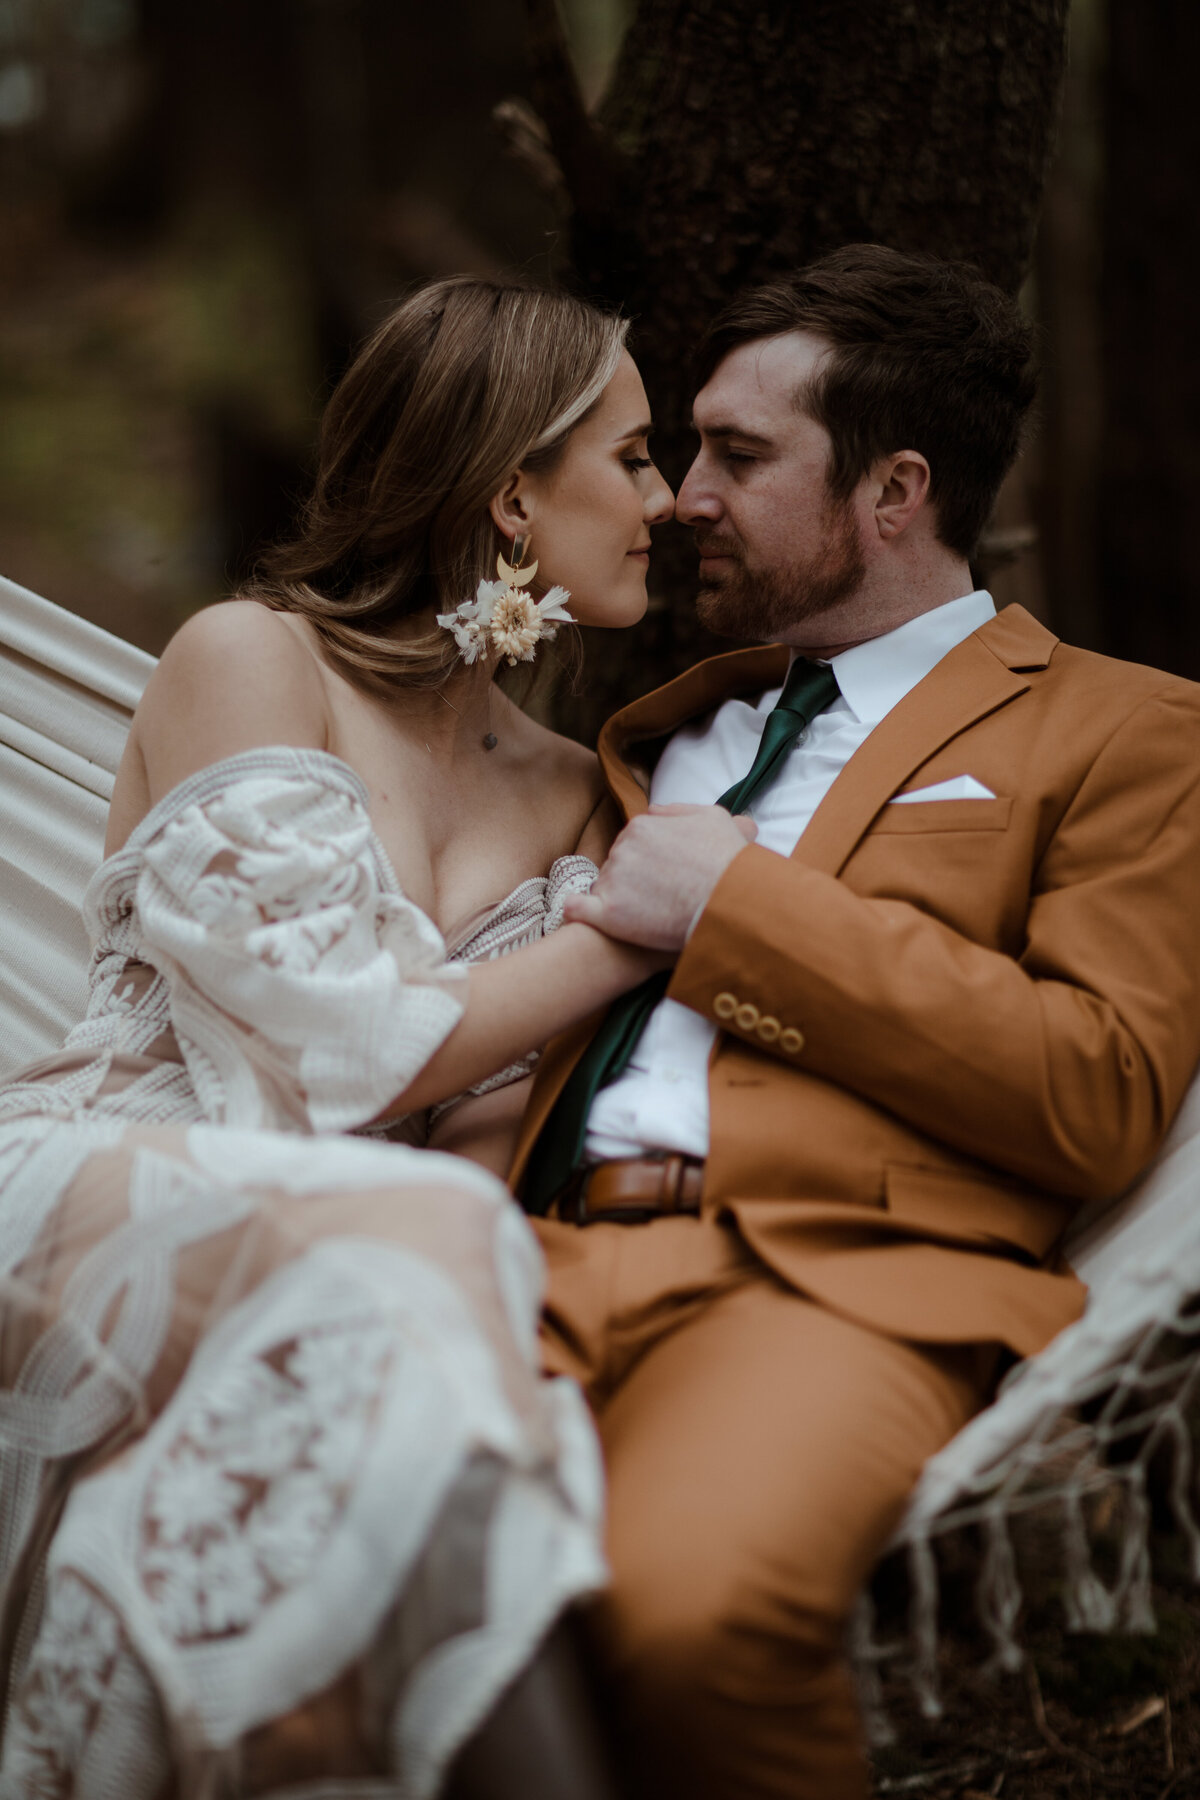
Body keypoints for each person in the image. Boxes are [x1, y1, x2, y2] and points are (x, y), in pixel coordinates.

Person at [508, 244, 1200, 1800]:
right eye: (688, 449)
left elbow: (1101, 1088)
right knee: (309, 1605)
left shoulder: (1127, 730)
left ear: (897, 493)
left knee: (689, 1619)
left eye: (739, 457)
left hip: (835, 1287)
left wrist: (737, 912)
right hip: (516, 1259)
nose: (686, 494)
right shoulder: (657, 734)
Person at [0, 277, 674, 1797]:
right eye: (633, 458)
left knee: (409, 1308)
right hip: (95, 1175)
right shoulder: (250, 660)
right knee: (413, 1240)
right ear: (514, 491)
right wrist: (633, 932)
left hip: (361, 1255)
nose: (670, 499)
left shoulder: (577, 790)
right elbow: (344, 1045)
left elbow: (485, 1136)